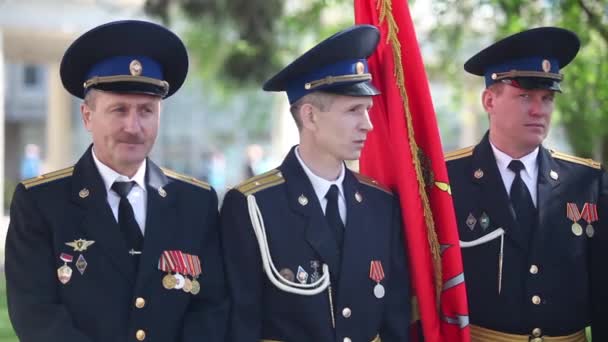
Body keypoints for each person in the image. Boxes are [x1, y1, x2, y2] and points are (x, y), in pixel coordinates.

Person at [5, 20, 228, 342]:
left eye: (146, 111)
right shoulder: (41, 202)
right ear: (87, 116)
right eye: (119, 110)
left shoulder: (196, 201)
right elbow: (36, 314)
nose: (133, 126)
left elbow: (211, 307)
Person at [220, 25, 410, 342]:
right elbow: (242, 323)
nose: (368, 125)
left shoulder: (380, 202)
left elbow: (395, 319)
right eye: (353, 110)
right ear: (309, 117)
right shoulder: (254, 206)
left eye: (367, 110)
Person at [446, 27, 608, 341]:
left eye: (547, 98)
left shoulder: (586, 181)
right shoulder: (447, 181)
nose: (539, 110)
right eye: (525, 97)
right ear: (489, 100)